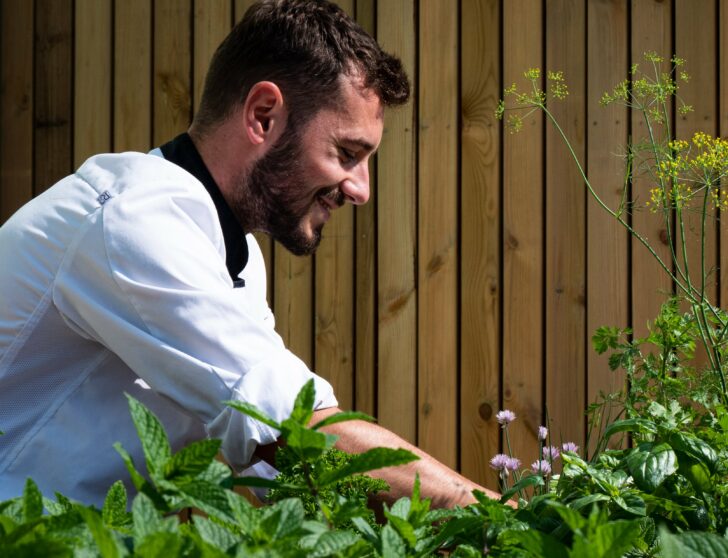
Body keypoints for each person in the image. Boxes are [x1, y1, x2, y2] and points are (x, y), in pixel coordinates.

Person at [0, 0, 495, 509]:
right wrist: (506, 523)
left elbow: (272, 466)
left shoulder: (228, 251)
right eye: (347, 154)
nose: (361, 190)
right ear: (264, 115)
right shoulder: (134, 219)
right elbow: (292, 428)